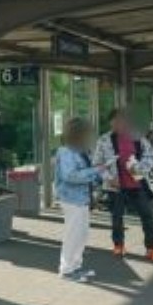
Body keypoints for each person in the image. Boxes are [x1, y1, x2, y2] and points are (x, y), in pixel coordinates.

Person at [93, 108, 153, 262]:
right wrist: (109, 178)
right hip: (115, 186)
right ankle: (118, 245)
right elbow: (97, 163)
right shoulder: (104, 140)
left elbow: (151, 155)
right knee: (117, 217)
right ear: (111, 123)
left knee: (147, 215)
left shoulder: (137, 137)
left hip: (137, 184)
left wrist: (140, 168)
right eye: (115, 121)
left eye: (121, 121)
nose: (118, 124)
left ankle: (151, 248)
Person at [54, 118, 104, 282]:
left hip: (81, 198)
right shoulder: (66, 152)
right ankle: (66, 270)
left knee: (81, 234)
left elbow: (85, 172)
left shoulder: (79, 150)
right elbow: (70, 176)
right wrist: (95, 171)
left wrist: (98, 173)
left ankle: (75, 266)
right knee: (73, 235)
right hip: (72, 199)